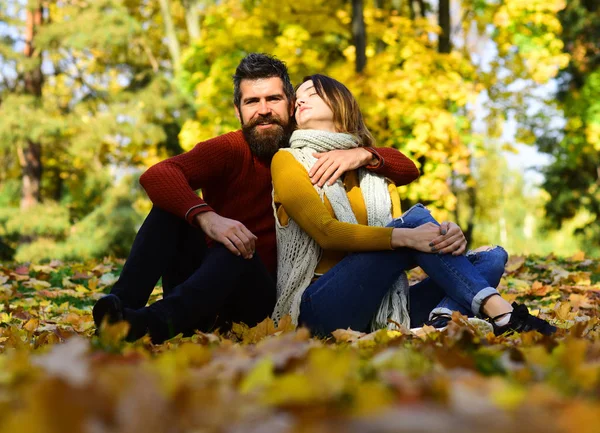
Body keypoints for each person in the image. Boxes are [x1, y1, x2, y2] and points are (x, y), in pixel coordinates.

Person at [92, 54, 420, 343]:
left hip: (263, 301)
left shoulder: (310, 147)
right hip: (202, 284)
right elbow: (157, 174)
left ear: (291, 104)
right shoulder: (230, 148)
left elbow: (408, 169)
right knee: (171, 212)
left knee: (237, 250)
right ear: (238, 111)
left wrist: (364, 155)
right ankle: (117, 310)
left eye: (273, 99)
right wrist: (207, 216)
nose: (263, 111)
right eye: (252, 102)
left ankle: (146, 325)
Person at [271, 74, 557, 337]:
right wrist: (409, 236)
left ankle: (443, 322)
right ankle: (503, 314)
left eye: (312, 92)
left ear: (340, 102)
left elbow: (409, 168)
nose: (301, 100)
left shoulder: (374, 172)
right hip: (318, 310)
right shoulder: (287, 160)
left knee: (492, 257)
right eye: (299, 97)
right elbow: (326, 233)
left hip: (382, 306)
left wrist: (445, 233)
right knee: (415, 219)